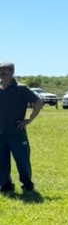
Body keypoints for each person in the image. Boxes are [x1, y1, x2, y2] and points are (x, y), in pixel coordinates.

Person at [0, 62, 42, 193]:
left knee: (22, 160)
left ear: (12, 71)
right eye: (0, 70)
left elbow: (38, 102)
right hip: (1, 133)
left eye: (4, 70)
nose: (1, 73)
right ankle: (5, 185)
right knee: (2, 161)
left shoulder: (21, 88)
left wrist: (28, 120)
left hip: (16, 132)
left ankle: (27, 185)